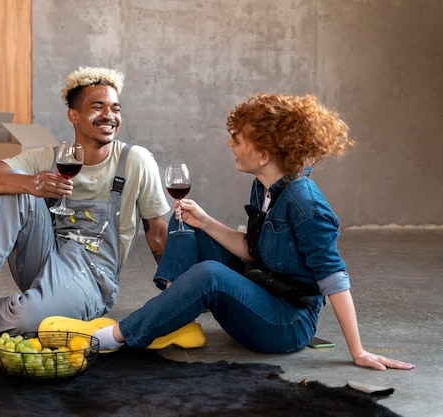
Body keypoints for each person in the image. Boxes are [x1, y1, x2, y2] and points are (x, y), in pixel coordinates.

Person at [41, 93, 416, 371]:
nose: (230, 145)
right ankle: (173, 316)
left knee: (211, 275)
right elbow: (255, 252)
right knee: (186, 219)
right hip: (262, 287)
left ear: (264, 153)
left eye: (237, 139)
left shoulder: (305, 203)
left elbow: (334, 279)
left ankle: (110, 338)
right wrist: (203, 220)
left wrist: (358, 351)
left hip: (285, 324)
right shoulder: (266, 186)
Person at [0, 66, 173, 347]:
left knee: (28, 322)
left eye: (115, 109)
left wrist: (174, 292)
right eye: (98, 106)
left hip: (93, 280)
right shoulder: (49, 157)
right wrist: (31, 183)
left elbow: (157, 231)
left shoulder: (135, 160)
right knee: (12, 185)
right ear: (74, 115)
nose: (109, 115)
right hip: (43, 260)